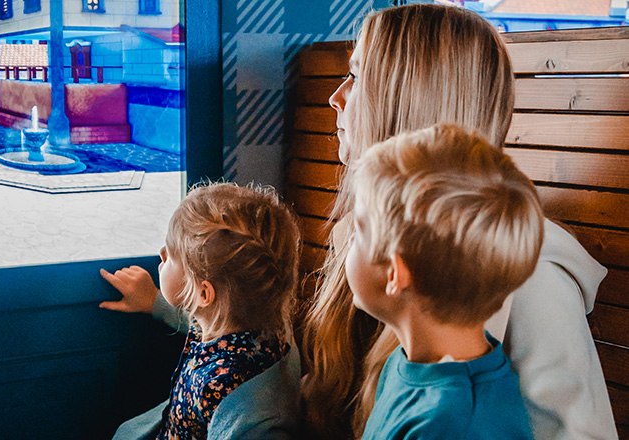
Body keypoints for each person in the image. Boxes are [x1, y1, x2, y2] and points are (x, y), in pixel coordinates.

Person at [301, 4, 616, 440]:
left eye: (356, 77)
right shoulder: (369, 234)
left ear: (408, 100)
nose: (336, 96)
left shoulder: (532, 281)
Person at [347, 123, 541, 439]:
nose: (348, 242)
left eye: (358, 232)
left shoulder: (454, 425)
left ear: (395, 272)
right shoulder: (414, 364)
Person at [103, 182, 302, 440]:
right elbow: (204, 315)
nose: (161, 253)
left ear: (204, 293)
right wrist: (155, 301)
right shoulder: (265, 331)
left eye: (172, 255)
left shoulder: (237, 401)